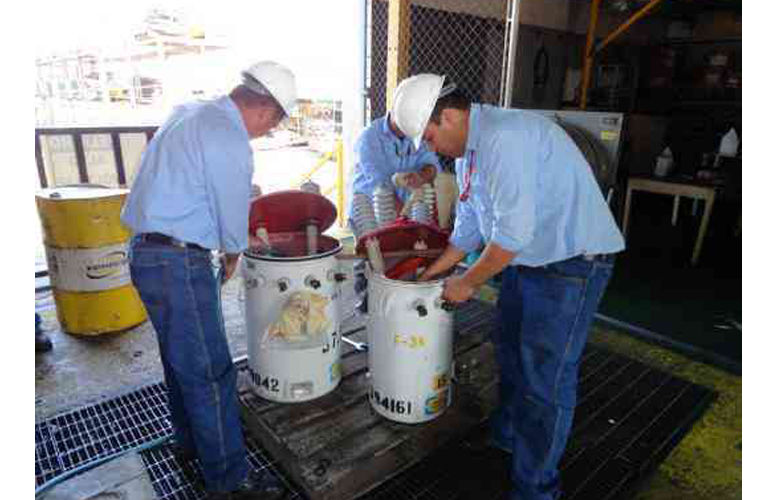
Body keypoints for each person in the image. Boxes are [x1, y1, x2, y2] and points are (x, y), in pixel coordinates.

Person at [392, 74, 625, 500]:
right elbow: (468, 233)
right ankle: (508, 439)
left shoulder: (506, 139)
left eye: (428, 136)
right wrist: (430, 276)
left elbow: (510, 236)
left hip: (570, 261)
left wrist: (465, 282)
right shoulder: (469, 154)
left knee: (546, 379)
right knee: (510, 351)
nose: (428, 149)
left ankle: (536, 488)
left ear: (448, 117)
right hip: (527, 260)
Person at [121, 61, 297, 500]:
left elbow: (192, 184)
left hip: (146, 252)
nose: (267, 132)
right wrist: (235, 251)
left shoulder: (191, 112)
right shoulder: (229, 134)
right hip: (180, 261)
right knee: (211, 371)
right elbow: (232, 217)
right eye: (273, 125)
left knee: (179, 360)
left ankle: (190, 444)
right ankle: (231, 481)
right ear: (265, 110)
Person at [348, 109, 442, 237]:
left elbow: (432, 165)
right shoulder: (369, 137)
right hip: (369, 214)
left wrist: (422, 176)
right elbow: (381, 185)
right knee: (373, 249)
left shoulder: (416, 133)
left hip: (404, 213)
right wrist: (404, 219)